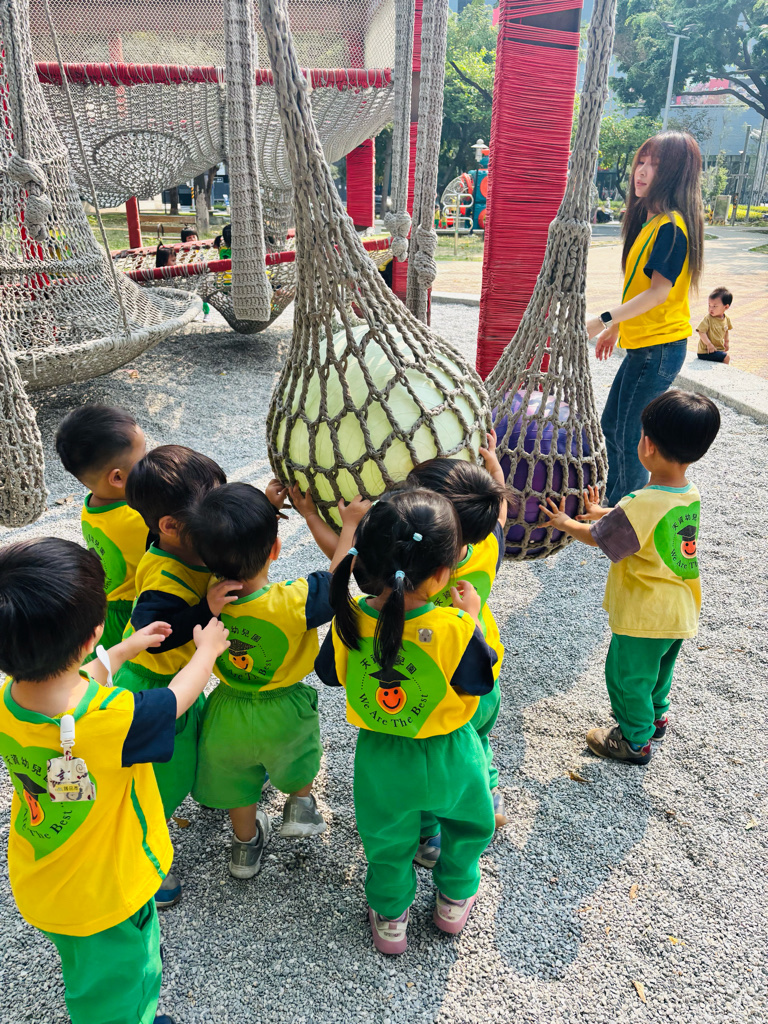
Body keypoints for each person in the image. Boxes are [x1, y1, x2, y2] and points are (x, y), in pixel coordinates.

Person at [0, 536, 230, 1024]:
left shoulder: (8, 700)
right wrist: (206, 652)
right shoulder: (113, 718)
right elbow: (176, 699)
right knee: (120, 988)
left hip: (44, 874)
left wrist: (123, 651)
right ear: (91, 635)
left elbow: (69, 684)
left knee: (88, 964)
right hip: (108, 888)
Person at [315, 490, 497, 954]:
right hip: (451, 753)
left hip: (381, 758)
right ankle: (453, 900)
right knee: (468, 826)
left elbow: (329, 674)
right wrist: (472, 620)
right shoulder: (454, 626)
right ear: (441, 573)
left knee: (386, 840)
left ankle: (391, 917)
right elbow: (479, 682)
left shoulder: (350, 619)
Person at [185, 482, 367, 879]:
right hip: (284, 708)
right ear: (275, 550)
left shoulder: (208, 597)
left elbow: (230, 544)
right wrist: (350, 526)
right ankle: (299, 806)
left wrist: (267, 509)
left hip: (228, 710)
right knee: (298, 756)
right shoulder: (294, 601)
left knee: (237, 782)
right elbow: (338, 576)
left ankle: (244, 849)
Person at [539, 390, 721, 766]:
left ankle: (634, 740)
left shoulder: (642, 503)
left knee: (627, 677)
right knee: (658, 671)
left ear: (648, 446)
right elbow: (645, 522)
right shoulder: (688, 493)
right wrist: (602, 511)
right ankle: (657, 718)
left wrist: (566, 522)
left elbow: (599, 538)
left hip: (644, 616)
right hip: (679, 609)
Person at [116, 445, 232, 908]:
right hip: (153, 687)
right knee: (159, 780)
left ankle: (209, 789)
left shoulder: (186, 543)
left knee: (194, 745)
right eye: (213, 512)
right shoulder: (165, 577)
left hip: (181, 678)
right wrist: (207, 610)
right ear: (169, 526)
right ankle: (144, 860)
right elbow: (155, 636)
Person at [405, 432, 510, 869]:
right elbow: (500, 513)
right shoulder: (487, 545)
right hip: (485, 673)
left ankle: (428, 835)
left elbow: (359, 565)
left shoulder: (420, 569)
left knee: (433, 757)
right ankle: (486, 788)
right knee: (477, 739)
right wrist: (494, 469)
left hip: (442, 686)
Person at [586, 131, 705, 506]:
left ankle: (623, 514)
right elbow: (638, 288)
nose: (642, 171)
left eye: (655, 165)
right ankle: (613, 504)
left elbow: (658, 293)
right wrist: (617, 327)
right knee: (612, 426)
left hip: (659, 348)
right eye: (642, 161)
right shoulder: (650, 223)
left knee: (630, 436)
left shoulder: (672, 226)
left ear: (674, 175)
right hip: (646, 347)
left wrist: (602, 320)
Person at [55, 405, 149, 653]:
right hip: (132, 612)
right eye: (144, 457)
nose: (151, 461)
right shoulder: (137, 519)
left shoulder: (91, 506)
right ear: (117, 478)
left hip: (106, 602)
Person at [697, 287, 733, 364]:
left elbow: (726, 331)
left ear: (726, 307)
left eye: (714, 306)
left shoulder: (726, 319)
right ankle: (724, 371)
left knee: (724, 355)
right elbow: (701, 332)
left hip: (717, 349)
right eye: (709, 305)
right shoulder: (708, 319)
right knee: (726, 357)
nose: (711, 309)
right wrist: (709, 344)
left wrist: (726, 342)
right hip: (706, 351)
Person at [180, 229, 211, 320]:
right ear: (184, 240)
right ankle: (194, 314)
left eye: (194, 237)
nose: (192, 239)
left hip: (200, 275)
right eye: (189, 238)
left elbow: (203, 261)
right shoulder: (184, 250)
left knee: (202, 295)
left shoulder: (199, 249)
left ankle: (206, 313)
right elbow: (182, 261)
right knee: (190, 295)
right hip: (190, 276)